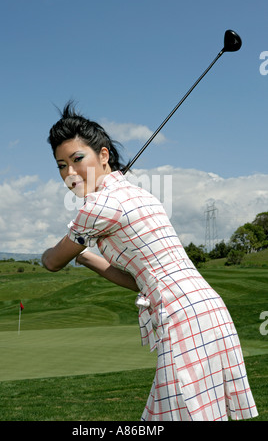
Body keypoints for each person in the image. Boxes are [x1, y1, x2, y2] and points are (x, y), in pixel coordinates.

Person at [42, 101, 258, 421]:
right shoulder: (139, 194)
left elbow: (51, 262)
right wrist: (86, 256)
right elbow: (139, 281)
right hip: (207, 309)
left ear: (103, 155)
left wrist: (59, 247)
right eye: (61, 165)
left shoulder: (98, 208)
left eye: (77, 159)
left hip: (182, 316)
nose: (70, 174)